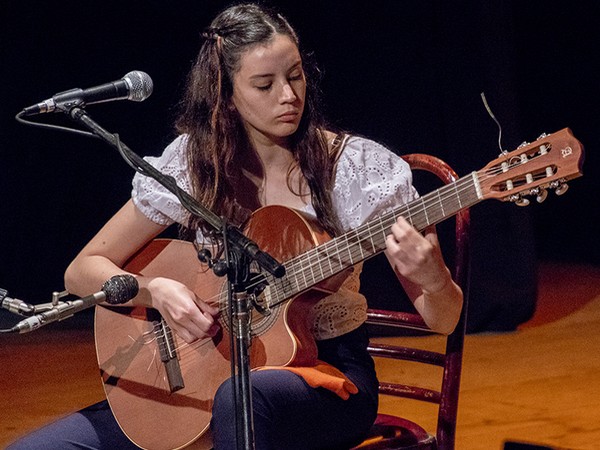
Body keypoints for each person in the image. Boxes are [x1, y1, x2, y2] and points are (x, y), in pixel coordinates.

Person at [8, 3, 462, 449]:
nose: (288, 96)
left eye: (296, 75)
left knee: (240, 402)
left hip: (324, 379)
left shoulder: (356, 170)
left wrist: (433, 277)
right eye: (264, 84)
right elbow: (83, 269)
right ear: (225, 93)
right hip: (203, 375)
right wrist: (157, 291)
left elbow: (445, 319)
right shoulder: (192, 165)